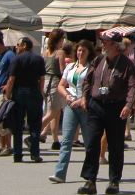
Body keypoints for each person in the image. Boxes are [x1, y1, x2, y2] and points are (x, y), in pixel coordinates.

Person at [77, 30, 135, 195]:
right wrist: (84, 97)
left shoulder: (127, 64)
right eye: (103, 41)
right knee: (91, 143)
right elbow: (87, 80)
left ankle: (114, 181)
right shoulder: (98, 60)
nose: (102, 44)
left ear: (115, 45)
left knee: (115, 146)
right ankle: (90, 181)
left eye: (105, 41)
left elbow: (133, 86)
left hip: (116, 107)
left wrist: (128, 105)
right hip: (96, 105)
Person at [50, 39, 94, 184]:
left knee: (89, 142)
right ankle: (60, 173)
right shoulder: (70, 67)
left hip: (85, 106)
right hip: (70, 106)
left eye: (84, 51)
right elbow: (61, 85)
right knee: (66, 140)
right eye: (79, 50)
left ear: (89, 53)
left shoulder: (91, 68)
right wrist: (67, 95)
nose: (80, 53)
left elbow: (92, 89)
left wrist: (81, 99)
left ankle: (90, 173)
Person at [6, 36, 47, 163]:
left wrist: (8, 94)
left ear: (24, 45)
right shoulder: (38, 59)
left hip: (19, 92)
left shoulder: (16, 59)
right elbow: (42, 78)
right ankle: (35, 154)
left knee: (17, 124)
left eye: (18, 45)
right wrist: (40, 93)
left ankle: (17, 154)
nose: (16, 47)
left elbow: (11, 79)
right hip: (34, 91)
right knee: (35, 124)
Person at [43, 29, 68, 151]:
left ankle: (55, 140)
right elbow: (63, 71)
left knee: (55, 112)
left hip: (46, 82)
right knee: (52, 112)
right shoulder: (60, 53)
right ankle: (36, 132)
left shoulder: (46, 52)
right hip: (55, 82)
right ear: (60, 40)